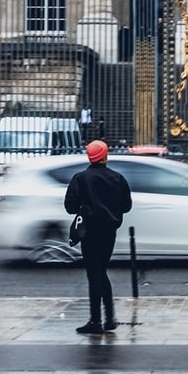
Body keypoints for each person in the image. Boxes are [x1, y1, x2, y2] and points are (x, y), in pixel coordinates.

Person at [64, 140, 131, 335]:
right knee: (102, 271)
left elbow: (69, 206)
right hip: (109, 231)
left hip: (89, 232)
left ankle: (96, 320)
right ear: (105, 156)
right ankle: (109, 318)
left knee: (94, 275)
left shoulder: (81, 178)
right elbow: (127, 206)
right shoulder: (118, 178)